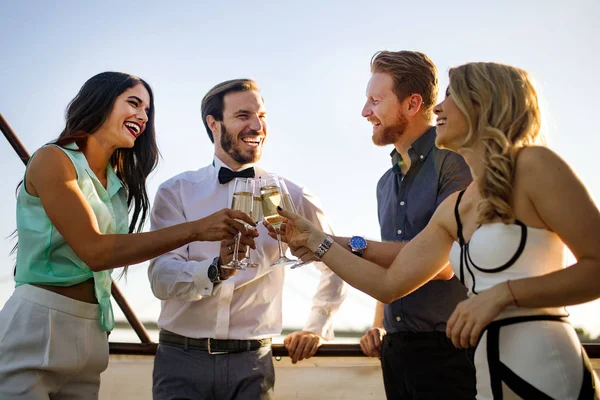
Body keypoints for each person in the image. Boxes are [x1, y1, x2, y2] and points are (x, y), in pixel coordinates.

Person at [276, 62, 600, 399]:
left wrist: (505, 294)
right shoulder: (455, 208)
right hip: (487, 378)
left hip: (546, 372)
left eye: (452, 95)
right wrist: (315, 240)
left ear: (486, 103)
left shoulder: (534, 165)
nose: (439, 108)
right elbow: (388, 285)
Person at [0, 72, 254, 399]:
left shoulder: (118, 186)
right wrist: (197, 228)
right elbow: (95, 250)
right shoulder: (53, 160)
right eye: (133, 103)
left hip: (93, 331)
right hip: (37, 326)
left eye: (148, 110)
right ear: (101, 101)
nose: (143, 117)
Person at [148, 78, 347, 400]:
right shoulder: (176, 192)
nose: (257, 126)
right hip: (180, 358)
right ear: (214, 124)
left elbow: (337, 261)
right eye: (243, 116)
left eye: (262, 116)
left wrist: (317, 325)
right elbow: (160, 278)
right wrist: (215, 270)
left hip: (253, 363)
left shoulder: (292, 194)